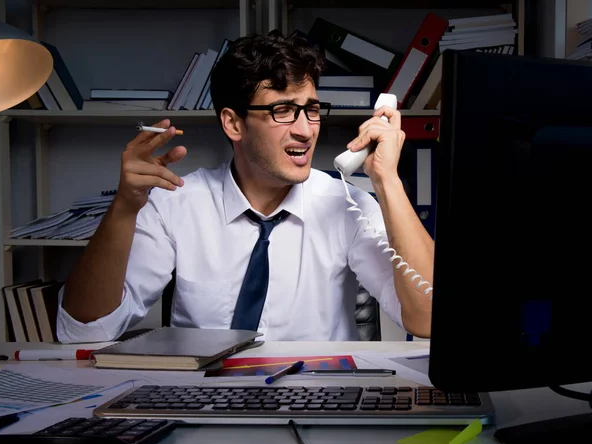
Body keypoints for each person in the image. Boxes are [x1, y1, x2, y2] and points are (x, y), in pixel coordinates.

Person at [57, 31, 434, 343]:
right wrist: (124, 207)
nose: (305, 129)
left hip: (318, 399)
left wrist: (388, 181)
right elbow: (82, 331)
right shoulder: (176, 203)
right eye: (282, 111)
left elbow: (430, 321)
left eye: (312, 109)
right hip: (203, 405)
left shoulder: (348, 205)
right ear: (234, 124)